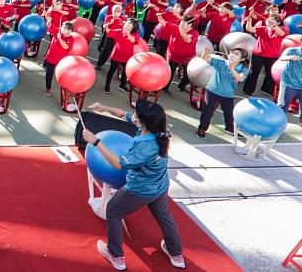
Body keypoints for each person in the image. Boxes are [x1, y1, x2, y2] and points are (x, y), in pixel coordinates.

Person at [82, 101, 185, 271]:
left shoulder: (145, 147)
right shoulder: (158, 131)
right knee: (165, 217)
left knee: (113, 211)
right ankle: (176, 254)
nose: (132, 115)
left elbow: (117, 164)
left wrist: (96, 141)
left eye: (136, 114)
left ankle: (116, 256)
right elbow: (123, 114)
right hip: (160, 186)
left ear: (143, 122)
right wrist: (106, 108)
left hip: (140, 190)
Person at [196, 47, 248, 138]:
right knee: (208, 111)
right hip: (212, 91)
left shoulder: (243, 69)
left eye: (236, 54)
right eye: (232, 52)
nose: (233, 55)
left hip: (228, 95)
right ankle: (202, 129)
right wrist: (206, 52)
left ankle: (230, 129)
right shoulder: (220, 62)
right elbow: (204, 59)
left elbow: (240, 78)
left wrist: (232, 69)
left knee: (229, 113)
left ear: (242, 59)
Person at [243, 13, 287, 96]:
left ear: (278, 23)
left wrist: (273, 26)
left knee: (270, 74)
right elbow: (250, 29)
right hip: (258, 55)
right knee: (253, 73)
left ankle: (267, 90)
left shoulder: (282, 29)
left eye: (272, 20)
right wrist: (249, 21)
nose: (269, 21)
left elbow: (282, 34)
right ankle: (248, 91)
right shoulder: (263, 28)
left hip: (273, 56)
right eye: (268, 20)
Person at [104, 18, 139, 93]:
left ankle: (122, 85)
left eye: (130, 24)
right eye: (127, 23)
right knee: (112, 71)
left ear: (133, 27)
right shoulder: (119, 31)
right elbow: (109, 32)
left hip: (127, 56)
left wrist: (127, 33)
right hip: (116, 54)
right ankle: (107, 85)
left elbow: (133, 40)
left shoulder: (135, 35)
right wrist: (107, 25)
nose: (127, 25)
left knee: (126, 72)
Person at [43, 21, 73, 97]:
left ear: (70, 31)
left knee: (65, 76)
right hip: (51, 58)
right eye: (62, 27)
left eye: (65, 28)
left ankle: (68, 89)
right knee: (49, 74)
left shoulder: (71, 39)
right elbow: (49, 26)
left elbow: (66, 47)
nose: (62, 29)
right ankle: (48, 88)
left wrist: (59, 39)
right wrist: (48, 20)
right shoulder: (57, 32)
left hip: (62, 61)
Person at [278, 46, 302, 121]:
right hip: (289, 84)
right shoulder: (292, 50)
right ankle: (278, 124)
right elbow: (281, 58)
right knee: (282, 107)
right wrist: (291, 57)